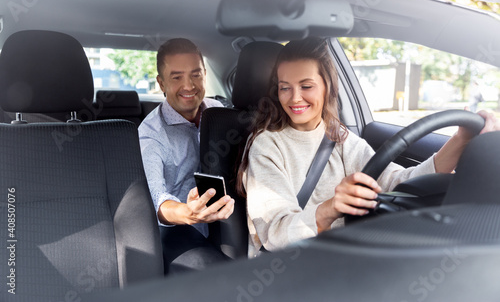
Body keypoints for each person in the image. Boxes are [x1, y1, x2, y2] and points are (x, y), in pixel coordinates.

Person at [237, 37, 500, 258]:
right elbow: (275, 233)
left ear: (328, 87)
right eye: (285, 88)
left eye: (306, 86)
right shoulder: (266, 146)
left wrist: (460, 140)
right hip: (289, 266)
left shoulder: (339, 138)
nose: (294, 98)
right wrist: (329, 209)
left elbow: (400, 183)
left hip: (346, 255)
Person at [139, 38, 235, 274]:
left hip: (228, 218)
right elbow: (157, 200)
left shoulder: (220, 113)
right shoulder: (150, 134)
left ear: (204, 74)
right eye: (176, 77)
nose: (189, 85)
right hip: (178, 227)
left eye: (196, 75)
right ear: (161, 83)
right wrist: (187, 213)